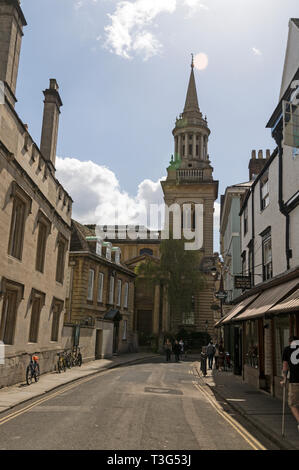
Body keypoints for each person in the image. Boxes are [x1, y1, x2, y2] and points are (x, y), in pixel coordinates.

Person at [280, 336, 299, 432]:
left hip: (295, 381)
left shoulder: (287, 350)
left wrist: (284, 379)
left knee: (292, 403)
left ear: (290, 342)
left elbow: (285, 367)